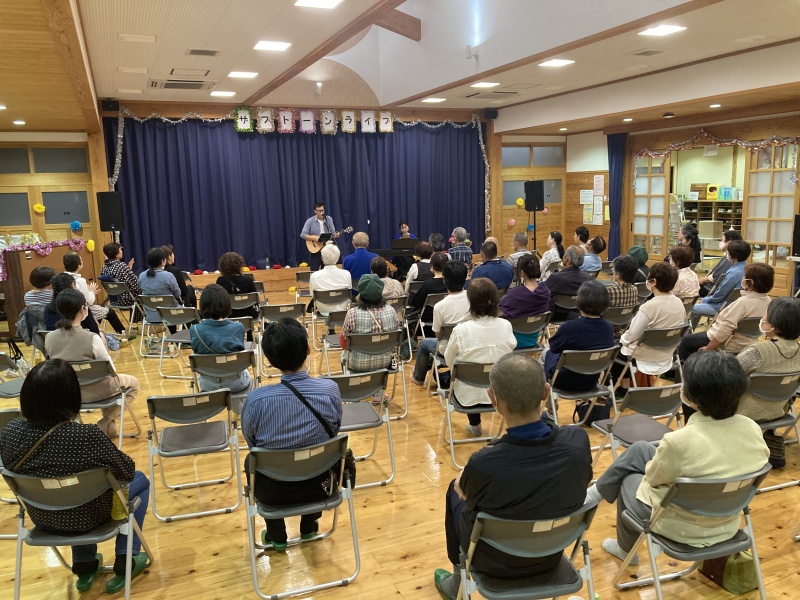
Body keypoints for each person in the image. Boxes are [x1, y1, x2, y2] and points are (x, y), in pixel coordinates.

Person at [586, 351, 769, 565]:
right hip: (727, 521)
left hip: (680, 526)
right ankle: (596, 492)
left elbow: (653, 479)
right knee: (640, 449)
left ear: (692, 398)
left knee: (628, 480)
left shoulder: (679, 441)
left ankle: (625, 549)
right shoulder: (752, 428)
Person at [433, 354, 592, 600]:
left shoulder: (484, 463)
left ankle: (458, 583)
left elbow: (464, 493)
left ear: (493, 399)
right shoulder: (578, 441)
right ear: (546, 392)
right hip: (551, 553)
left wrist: (463, 478)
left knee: (454, 493)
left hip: (493, 561)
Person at [0, 359, 149, 593]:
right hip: (92, 516)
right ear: (71, 396)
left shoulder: (9, 432)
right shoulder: (85, 436)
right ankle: (126, 557)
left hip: (43, 517)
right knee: (141, 480)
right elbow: (126, 471)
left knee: (70, 492)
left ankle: (84, 564)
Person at [241, 318, 342, 551]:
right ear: (307, 350)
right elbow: (333, 430)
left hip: (273, 490)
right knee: (319, 453)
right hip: (320, 485)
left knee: (252, 460)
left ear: (269, 359)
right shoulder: (330, 390)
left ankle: (276, 535)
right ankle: (309, 526)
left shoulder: (256, 400)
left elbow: (252, 443)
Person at [44, 289, 140, 438]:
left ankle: (108, 427)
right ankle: (105, 421)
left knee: (105, 380)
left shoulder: (49, 337)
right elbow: (111, 370)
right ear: (83, 309)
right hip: (97, 390)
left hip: (67, 392)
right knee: (133, 384)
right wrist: (103, 342)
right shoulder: (93, 338)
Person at [444, 278, 516, 436]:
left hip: (466, 397)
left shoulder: (461, 330)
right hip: (499, 393)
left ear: (470, 301)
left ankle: (475, 425)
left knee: (469, 371)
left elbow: (449, 361)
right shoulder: (506, 325)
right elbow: (510, 350)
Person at [609, 263, 685, 392]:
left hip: (645, 354)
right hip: (667, 352)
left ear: (653, 282)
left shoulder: (649, 306)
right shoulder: (678, 302)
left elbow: (631, 336)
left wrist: (622, 340)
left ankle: (619, 387)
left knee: (614, 348)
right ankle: (625, 385)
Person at [679, 262, 774, 363]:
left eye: (745, 277)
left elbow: (724, 331)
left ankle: (681, 370)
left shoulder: (742, 303)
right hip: (749, 342)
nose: (743, 279)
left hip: (727, 343)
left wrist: (708, 348)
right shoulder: (768, 301)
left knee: (686, 341)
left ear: (750, 282)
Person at [544, 280, 615, 393]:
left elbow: (553, 348)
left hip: (562, 381)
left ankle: (547, 401)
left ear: (580, 300)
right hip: (591, 381)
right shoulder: (609, 327)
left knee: (546, 351)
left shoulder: (570, 327)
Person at [411, 261, 471, 386]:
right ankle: (424, 367)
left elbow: (438, 335)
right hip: (470, 344)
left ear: (444, 280)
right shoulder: (472, 298)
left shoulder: (440, 306)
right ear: (466, 278)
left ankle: (418, 377)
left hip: (449, 348)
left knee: (425, 344)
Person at [189, 284, 251, 393]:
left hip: (208, 385)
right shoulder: (238, 327)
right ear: (227, 304)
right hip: (236, 383)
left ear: (203, 305)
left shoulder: (195, 329)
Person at [341, 274, 399, 373]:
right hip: (386, 362)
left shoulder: (352, 313)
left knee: (343, 356)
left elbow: (345, 338)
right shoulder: (392, 311)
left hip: (357, 363)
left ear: (361, 292)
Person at [63, 251, 128, 336]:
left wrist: (89, 291)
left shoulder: (63, 278)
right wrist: (92, 292)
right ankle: (123, 334)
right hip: (82, 310)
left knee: (99, 310)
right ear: (79, 265)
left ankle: (95, 329)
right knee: (110, 312)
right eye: (81, 260)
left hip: (67, 310)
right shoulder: (80, 281)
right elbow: (88, 301)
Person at [690, 239, 751, 325]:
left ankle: (688, 332)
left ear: (732, 255)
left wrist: (706, 299)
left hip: (723, 307)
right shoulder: (747, 268)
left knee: (691, 309)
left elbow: (720, 295)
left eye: (727, 252)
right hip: (737, 305)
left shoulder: (733, 273)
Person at [498, 254, 551, 348]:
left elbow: (499, 313)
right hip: (533, 337)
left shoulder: (514, 294)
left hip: (511, 340)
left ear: (522, 273)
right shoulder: (546, 291)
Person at [406, 251, 449, 340]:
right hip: (446, 319)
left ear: (432, 266)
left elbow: (415, 302)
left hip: (427, 320)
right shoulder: (450, 284)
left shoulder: (428, 284)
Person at [542, 245, 591, 321]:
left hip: (556, 315)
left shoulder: (556, 278)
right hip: (577, 313)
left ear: (566, 258)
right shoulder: (587, 277)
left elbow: (542, 291)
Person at [138, 247, 182, 327]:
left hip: (150, 316)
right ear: (162, 261)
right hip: (170, 315)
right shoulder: (168, 276)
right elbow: (178, 294)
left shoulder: (141, 276)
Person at [100, 242, 143, 322]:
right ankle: (140, 321)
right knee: (141, 295)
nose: (122, 251)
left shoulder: (104, 267)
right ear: (116, 254)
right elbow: (136, 285)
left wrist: (128, 269)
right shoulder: (121, 266)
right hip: (126, 300)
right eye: (120, 250)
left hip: (113, 300)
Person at [308, 244, 353, 317]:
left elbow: (312, 294)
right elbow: (349, 293)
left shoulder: (315, 275)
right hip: (342, 308)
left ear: (322, 258)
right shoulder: (346, 274)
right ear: (338, 258)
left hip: (323, 309)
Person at [215, 251, 259, 324]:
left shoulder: (220, 281)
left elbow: (218, 301)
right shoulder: (247, 280)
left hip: (228, 315)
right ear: (239, 265)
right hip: (249, 315)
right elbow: (255, 300)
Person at [698, 230, 743, 297]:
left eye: (722, 240)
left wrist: (699, 280)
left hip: (710, 289)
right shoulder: (740, 260)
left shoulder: (730, 258)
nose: (720, 242)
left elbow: (716, 277)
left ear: (729, 241)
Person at [300, 202, 338, 271]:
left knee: (327, 269)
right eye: (319, 211)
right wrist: (314, 238)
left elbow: (333, 233)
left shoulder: (329, 219)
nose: (321, 212)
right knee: (314, 269)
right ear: (315, 211)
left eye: (322, 210)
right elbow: (303, 234)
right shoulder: (310, 221)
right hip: (315, 247)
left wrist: (336, 234)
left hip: (327, 247)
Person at [161, 244, 196, 308]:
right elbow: (183, 291)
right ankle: (193, 312)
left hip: (161, 303)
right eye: (173, 254)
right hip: (176, 302)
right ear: (169, 256)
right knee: (190, 288)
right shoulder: (175, 271)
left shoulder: (156, 272)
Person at [23, 266, 56, 333]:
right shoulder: (54, 295)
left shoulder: (27, 296)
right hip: (55, 328)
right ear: (51, 282)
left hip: (38, 331)